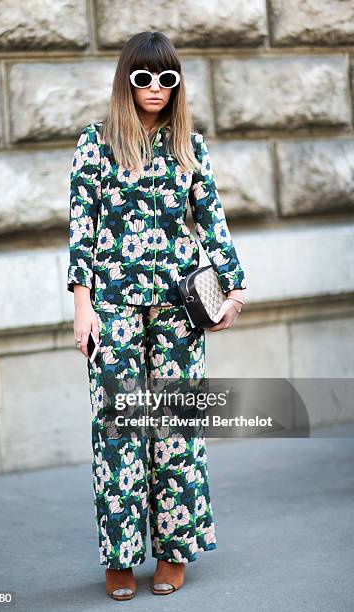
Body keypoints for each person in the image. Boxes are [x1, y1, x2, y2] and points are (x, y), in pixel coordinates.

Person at [67, 31, 246, 600]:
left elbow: (212, 222)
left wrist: (234, 293)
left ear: (177, 84)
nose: (155, 88)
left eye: (166, 78)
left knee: (175, 430)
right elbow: (82, 228)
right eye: (143, 77)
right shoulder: (95, 143)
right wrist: (81, 306)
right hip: (112, 309)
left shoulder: (189, 146)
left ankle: (174, 551)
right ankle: (119, 557)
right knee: (118, 431)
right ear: (127, 81)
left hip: (178, 311)